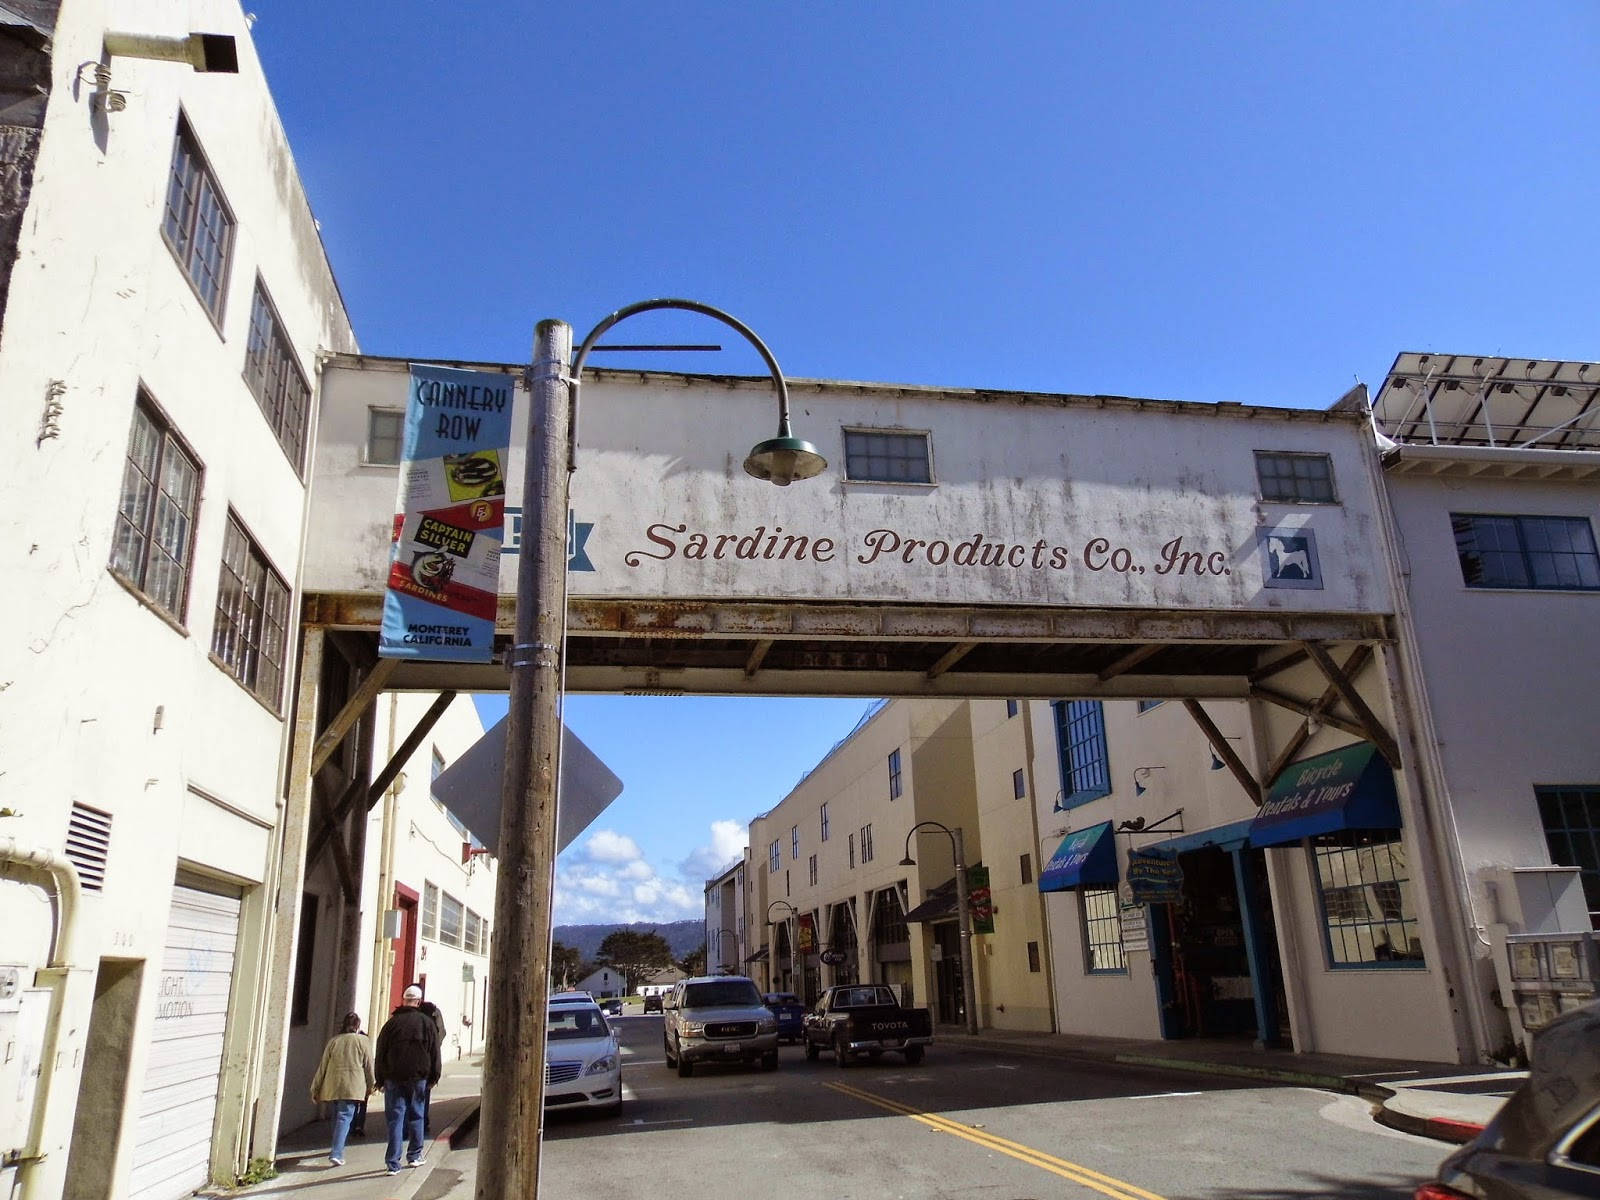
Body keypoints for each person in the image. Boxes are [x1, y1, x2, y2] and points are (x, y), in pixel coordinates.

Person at [374, 984, 441, 1175]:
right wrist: (434, 1076)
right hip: (418, 1077)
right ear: (418, 1002)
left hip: (393, 1078)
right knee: (417, 1115)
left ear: (404, 1001)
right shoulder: (426, 1023)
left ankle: (393, 1163)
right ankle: (414, 1155)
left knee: (395, 1119)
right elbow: (434, 1052)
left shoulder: (391, 1024)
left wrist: (380, 1079)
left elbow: (381, 1052)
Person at [309, 1011, 375, 1168]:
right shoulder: (363, 1041)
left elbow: (323, 1066)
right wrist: (372, 1085)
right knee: (345, 1116)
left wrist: (315, 1088)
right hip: (352, 1086)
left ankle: (336, 1146)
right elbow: (369, 1066)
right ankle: (336, 1152)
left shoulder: (334, 1041)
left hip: (333, 1085)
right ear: (357, 1025)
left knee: (337, 1116)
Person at [416, 993, 447, 1135]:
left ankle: (409, 1127)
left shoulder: (414, 1016)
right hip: (427, 1064)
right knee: (424, 1095)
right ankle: (422, 1122)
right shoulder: (434, 1016)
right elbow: (442, 1034)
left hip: (411, 1064)